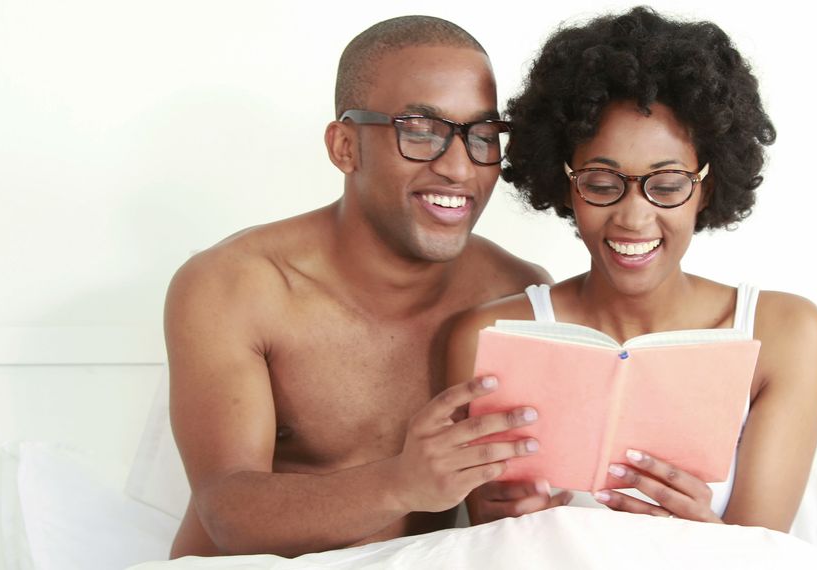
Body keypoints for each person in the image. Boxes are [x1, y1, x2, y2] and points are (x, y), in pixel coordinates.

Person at [164, 16, 555, 558]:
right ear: (345, 146)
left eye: (483, 136)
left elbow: (498, 507)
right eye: (420, 130)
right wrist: (403, 482)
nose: (460, 168)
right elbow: (225, 509)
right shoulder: (237, 285)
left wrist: (519, 503)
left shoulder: (518, 293)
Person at [446, 7, 817, 532]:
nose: (632, 217)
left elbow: (763, 552)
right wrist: (488, 517)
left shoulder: (785, 334)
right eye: (602, 183)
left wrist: (708, 537)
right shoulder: (484, 337)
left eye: (667, 184)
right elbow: (473, 539)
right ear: (566, 185)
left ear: (706, 188)